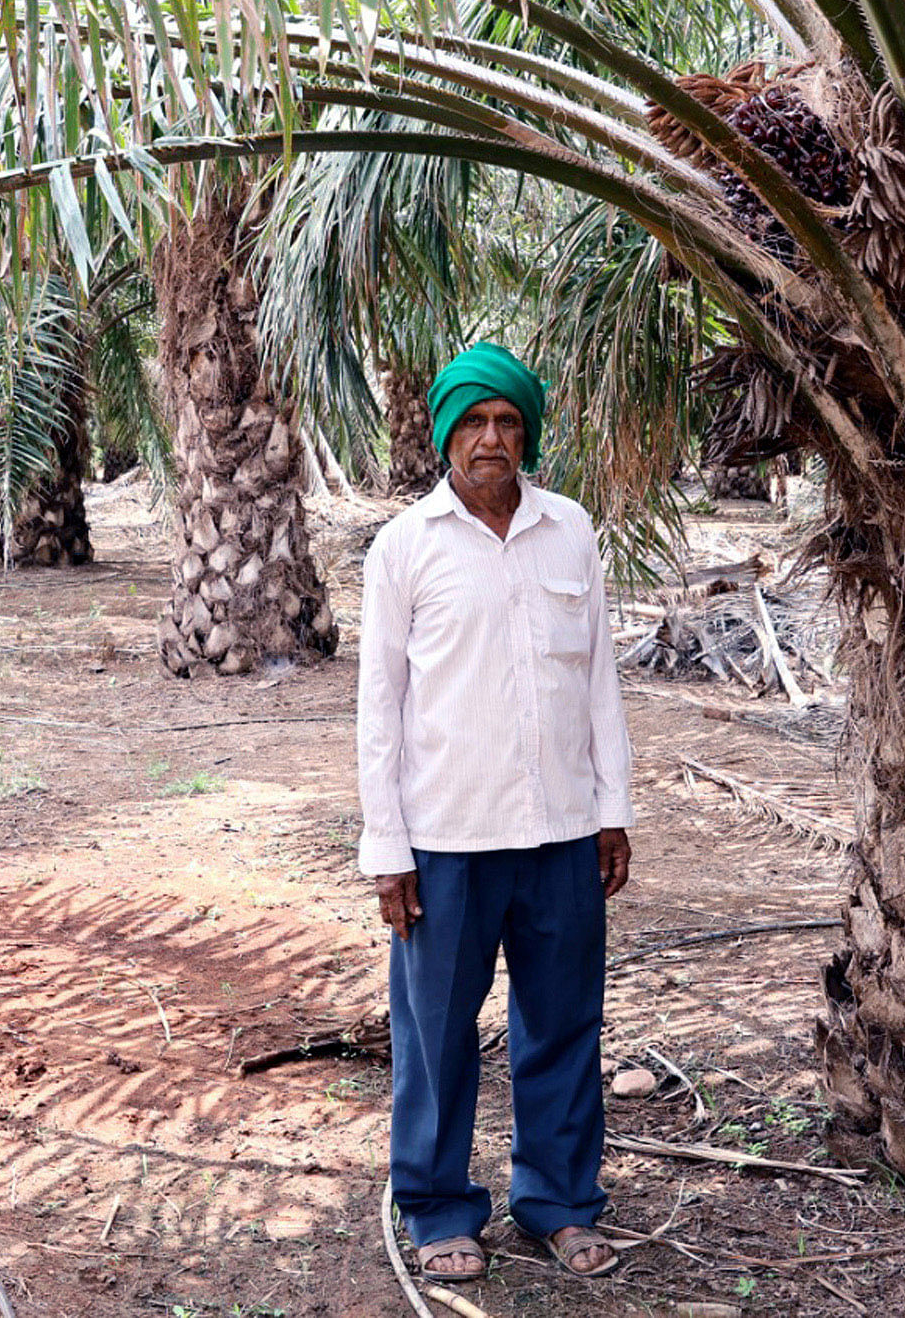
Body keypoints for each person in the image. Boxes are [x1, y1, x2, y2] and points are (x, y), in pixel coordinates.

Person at [356, 342, 635, 1283]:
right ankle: (438, 1208)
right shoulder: (405, 547)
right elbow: (379, 709)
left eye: (506, 422)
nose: (490, 440)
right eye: (473, 423)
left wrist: (613, 810)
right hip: (446, 843)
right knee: (436, 1037)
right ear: (445, 435)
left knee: (562, 1026)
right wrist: (386, 849)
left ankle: (558, 1200)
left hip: (561, 834)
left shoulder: (571, 532)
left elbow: (598, 683)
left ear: (527, 434)